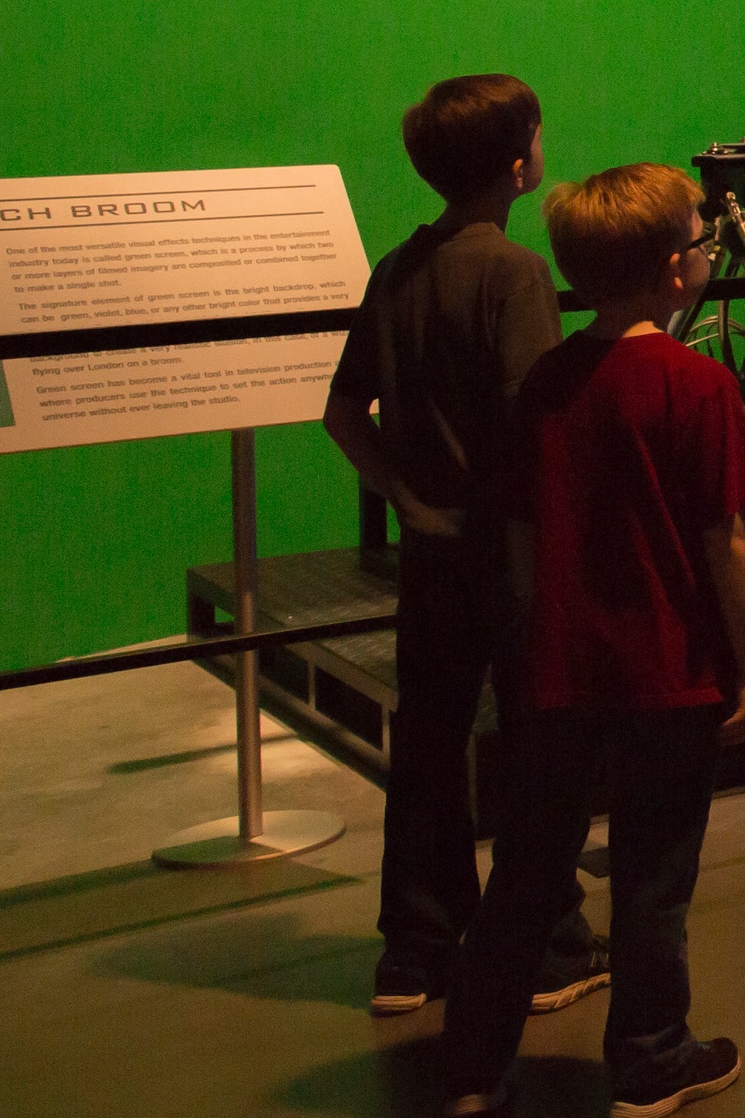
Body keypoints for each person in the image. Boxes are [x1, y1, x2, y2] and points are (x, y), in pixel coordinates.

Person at [438, 164, 745, 1118]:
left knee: (529, 872)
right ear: (676, 272)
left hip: (558, 674)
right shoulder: (697, 386)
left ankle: (470, 1065)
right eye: (704, 238)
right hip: (667, 675)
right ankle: (652, 1056)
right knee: (654, 874)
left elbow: (527, 535)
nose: (708, 249)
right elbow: (730, 540)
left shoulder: (548, 379)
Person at [315, 73, 604, 1020]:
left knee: (430, 747)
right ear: (520, 162)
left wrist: (399, 488)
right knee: (537, 747)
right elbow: (537, 418)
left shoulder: (398, 267)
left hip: (429, 554)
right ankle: (552, 945)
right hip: (509, 551)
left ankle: (415, 947)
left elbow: (339, 410)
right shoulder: (513, 274)